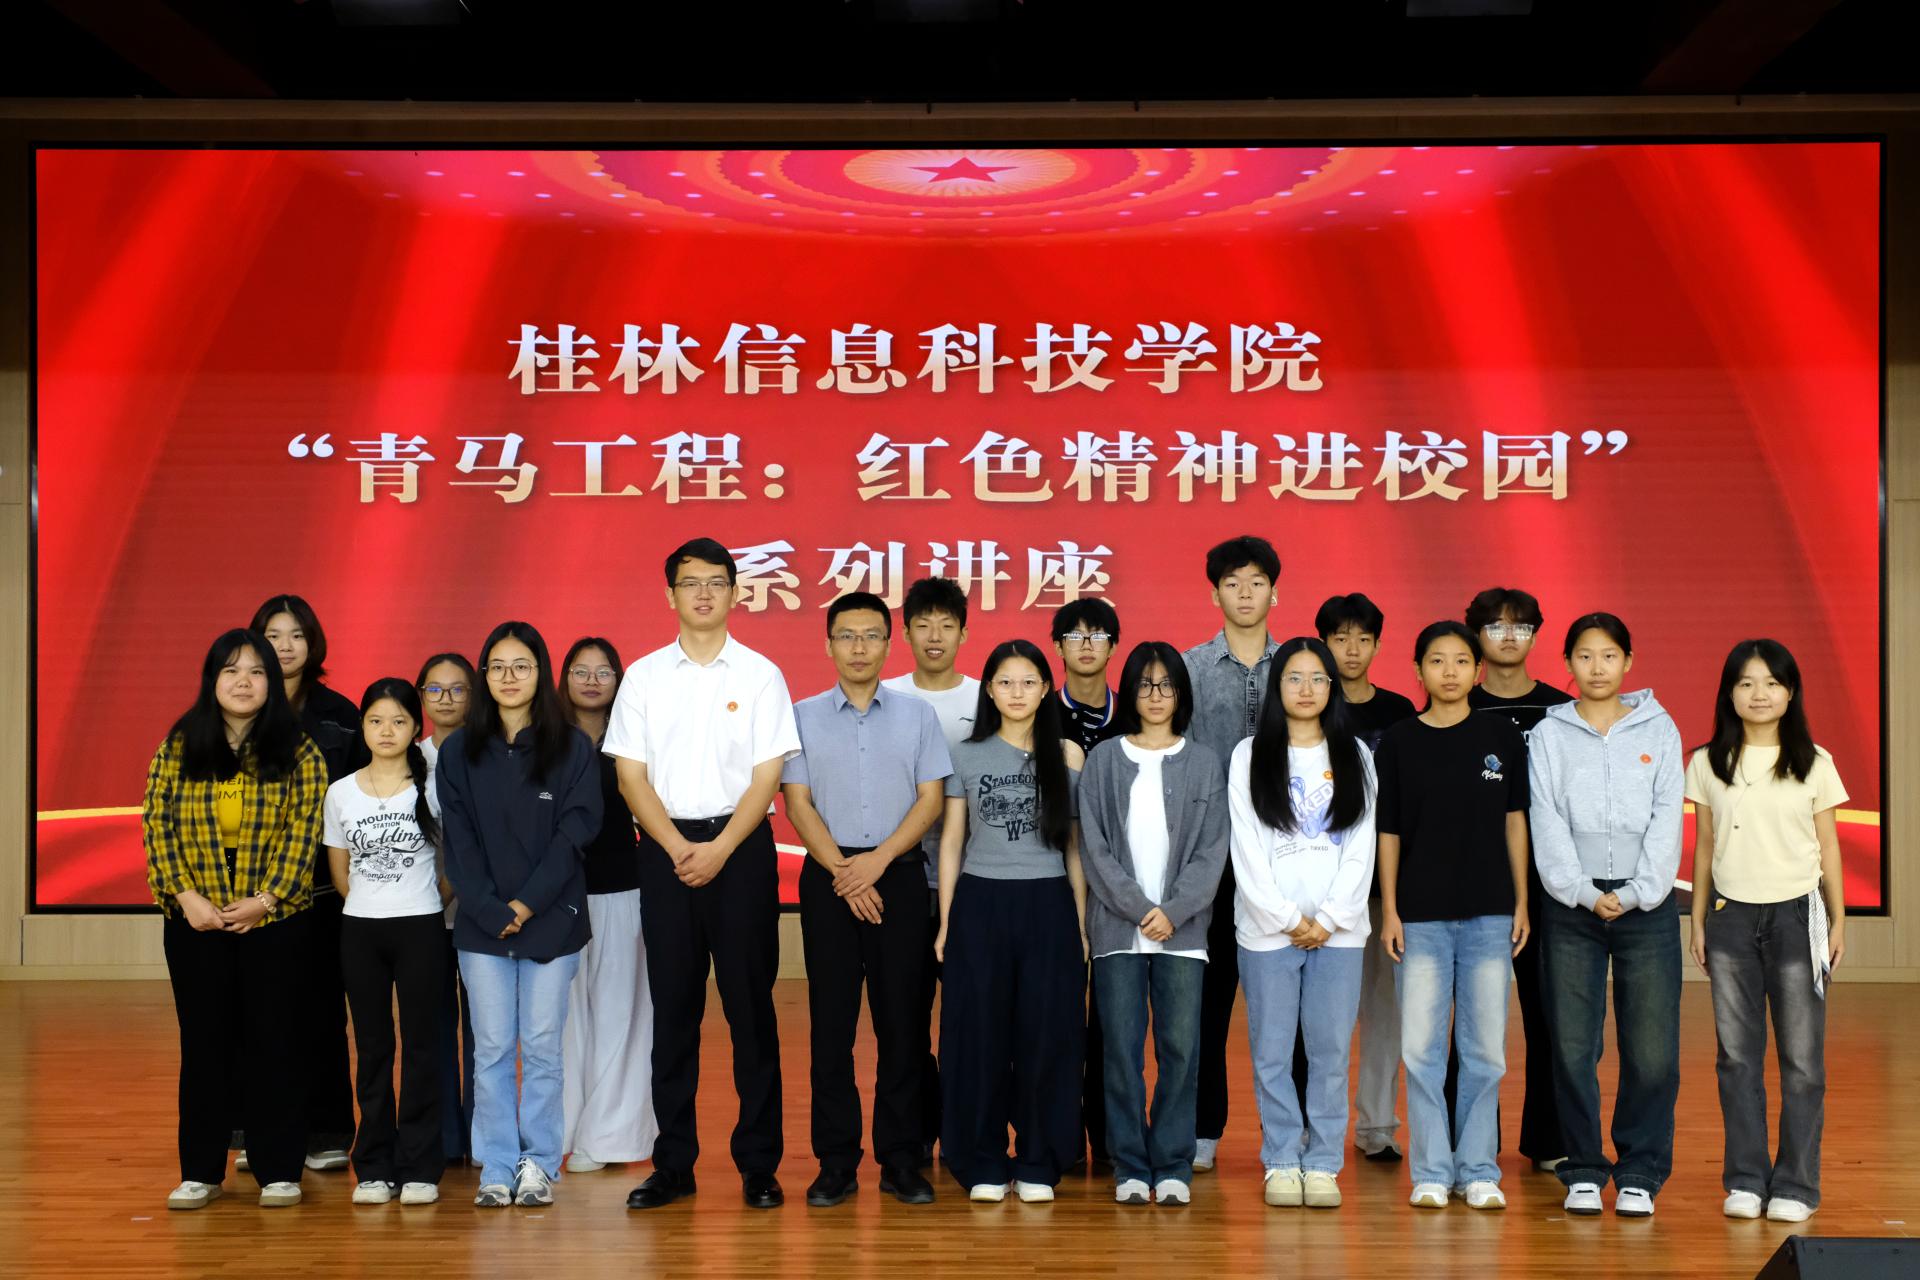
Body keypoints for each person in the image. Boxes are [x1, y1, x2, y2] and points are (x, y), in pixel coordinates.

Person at [609, 539, 801, 1212]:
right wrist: (675, 845)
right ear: (670, 594)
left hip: (740, 850)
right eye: (690, 583)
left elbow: (768, 776)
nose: (703, 594)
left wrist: (719, 848)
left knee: (751, 1011)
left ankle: (759, 1165)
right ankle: (673, 1164)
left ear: (735, 592)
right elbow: (630, 776)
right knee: (674, 1012)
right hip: (664, 853)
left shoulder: (760, 675)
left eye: (716, 582)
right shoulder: (643, 677)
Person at [144, 628, 328, 1210]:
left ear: (272, 683)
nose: (243, 682)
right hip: (195, 922)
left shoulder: (300, 751)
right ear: (212, 680)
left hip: (275, 922)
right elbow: (157, 826)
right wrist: (186, 897)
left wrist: (266, 899)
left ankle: (279, 1170)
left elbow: (304, 832)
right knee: (204, 1044)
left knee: (275, 1041)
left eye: (256, 672)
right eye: (231, 670)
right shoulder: (179, 746)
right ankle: (200, 1171)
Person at [783, 592, 951, 1207]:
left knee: (902, 1026)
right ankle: (835, 1163)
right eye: (847, 636)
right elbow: (796, 801)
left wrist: (876, 863)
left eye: (871, 635)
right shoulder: (800, 716)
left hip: (899, 878)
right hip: (829, 882)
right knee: (831, 1027)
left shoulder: (918, 717)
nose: (859, 647)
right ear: (828, 644)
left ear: (888, 643)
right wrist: (844, 871)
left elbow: (931, 799)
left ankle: (902, 1160)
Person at [436, 621, 600, 1208]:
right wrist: (488, 908)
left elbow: (576, 831)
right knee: (492, 1048)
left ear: (540, 673)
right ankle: (498, 1164)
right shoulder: (459, 751)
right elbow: (458, 841)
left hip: (552, 920)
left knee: (543, 1044)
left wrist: (525, 905)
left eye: (522, 666)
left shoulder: (571, 746)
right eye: (498, 667)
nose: (509, 677)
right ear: (484, 676)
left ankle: (539, 1163)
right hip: (482, 925)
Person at [1686, 639, 1848, 1224]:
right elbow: (1705, 845)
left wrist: (1838, 920)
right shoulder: (1707, 762)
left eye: (1772, 683)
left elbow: (1829, 845)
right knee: (1736, 1058)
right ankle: (1746, 1181)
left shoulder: (1815, 762)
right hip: (1730, 917)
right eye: (1747, 682)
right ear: (1729, 693)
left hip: (1798, 915)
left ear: (1790, 692)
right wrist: (1698, 920)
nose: (1760, 694)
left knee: (1802, 1060)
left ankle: (1797, 1186)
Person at [1529, 614, 1684, 1218]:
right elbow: (1546, 818)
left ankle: (1641, 1171)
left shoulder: (1660, 729)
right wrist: (1582, 890)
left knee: (1652, 1049)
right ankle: (1584, 1169)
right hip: (1572, 907)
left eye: (1609, 655)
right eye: (1585, 656)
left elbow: (1668, 816)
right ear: (1568, 662)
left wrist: (1642, 890)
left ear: (1629, 661)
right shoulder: (1549, 734)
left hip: (1647, 908)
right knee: (1572, 1046)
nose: (1597, 667)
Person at [1377, 621, 1530, 1211]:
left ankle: (1478, 1168)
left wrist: (1521, 901)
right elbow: (1389, 832)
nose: (1449, 671)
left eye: (1461, 661)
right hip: (1419, 918)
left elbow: (1514, 822)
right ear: (1418, 670)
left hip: (1491, 915)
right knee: (1421, 1051)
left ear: (1477, 670)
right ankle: (1433, 1171)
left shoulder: (1501, 737)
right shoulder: (1399, 741)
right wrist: (1391, 909)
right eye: (1436, 661)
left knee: (1485, 1050)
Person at [935, 640, 1088, 1204]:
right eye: (1005, 682)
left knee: (1047, 1034)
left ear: (1046, 688)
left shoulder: (1068, 755)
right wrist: (947, 922)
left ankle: (1039, 1159)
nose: (1017, 692)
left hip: (1048, 902)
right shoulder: (965, 753)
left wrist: (1080, 923)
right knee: (979, 1035)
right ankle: (982, 1159)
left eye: (1028, 682)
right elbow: (951, 841)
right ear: (989, 690)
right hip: (981, 901)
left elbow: (1074, 848)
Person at [1078, 641, 1228, 1207]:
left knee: (1180, 1052)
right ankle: (1129, 1165)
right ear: (1130, 692)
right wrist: (1141, 910)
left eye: (1166, 685)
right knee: (1119, 1051)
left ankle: (1172, 1163)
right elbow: (1094, 848)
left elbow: (1212, 852)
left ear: (1181, 693)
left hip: (1183, 934)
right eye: (1145, 684)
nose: (1156, 695)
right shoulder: (1104, 760)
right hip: (1118, 931)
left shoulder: (1204, 762)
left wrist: (1174, 911)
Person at [1230, 638, 1377, 1211]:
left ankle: (1322, 1164)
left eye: (1318, 678)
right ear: (1277, 687)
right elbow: (1247, 851)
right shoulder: (1249, 755)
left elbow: (1361, 846)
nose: (1307, 689)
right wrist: (1291, 919)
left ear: (1332, 687)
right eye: (1294, 678)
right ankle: (1281, 1160)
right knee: (1271, 1054)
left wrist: (1331, 919)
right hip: (1268, 933)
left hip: (1340, 934)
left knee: (1330, 1054)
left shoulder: (1355, 754)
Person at [249, 593, 366, 1173]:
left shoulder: (341, 715)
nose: (285, 646)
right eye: (273, 636)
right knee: (257, 1014)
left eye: (296, 635)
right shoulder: (240, 707)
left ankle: (326, 1130)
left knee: (321, 1012)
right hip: (251, 891)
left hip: (322, 891)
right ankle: (260, 1131)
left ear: (313, 642)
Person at [326, 678, 449, 1206]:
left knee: (423, 1046)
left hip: (421, 926)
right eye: (376, 721)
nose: (386, 731)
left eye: (398, 721)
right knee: (374, 1048)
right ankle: (374, 1166)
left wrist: (425, 899)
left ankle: (421, 1166)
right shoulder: (341, 791)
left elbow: (452, 864)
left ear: (415, 728)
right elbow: (340, 872)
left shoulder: (434, 787)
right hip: (361, 931)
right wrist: (373, 903)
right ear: (362, 726)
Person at [1181, 533, 1282, 1174]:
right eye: (1232, 583)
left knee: (1283, 1011)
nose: (1244, 594)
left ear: (1275, 591)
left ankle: (1288, 1135)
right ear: (1214, 593)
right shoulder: (1188, 669)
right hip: (1211, 861)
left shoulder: (1300, 666)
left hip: (1285, 859)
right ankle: (1201, 1129)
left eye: (1256, 582)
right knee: (1207, 1005)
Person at [1463, 585, 1573, 1171]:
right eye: (1496, 626)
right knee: (1471, 1021)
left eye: (1521, 626)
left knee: (1548, 1015)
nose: (1508, 636)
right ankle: (1471, 1141)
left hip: (1550, 883)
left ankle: (1549, 1141)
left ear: (1536, 635)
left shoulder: (1563, 711)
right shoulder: (1457, 703)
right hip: (1475, 879)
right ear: (1476, 635)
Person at [882, 576, 980, 1162]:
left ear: (964, 634)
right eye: (923, 625)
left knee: (969, 1018)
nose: (935, 636)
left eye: (947, 625)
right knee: (907, 1015)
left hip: (975, 886)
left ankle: (964, 1129)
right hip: (903, 882)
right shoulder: (887, 697)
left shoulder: (987, 698)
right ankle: (918, 1130)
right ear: (906, 634)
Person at [1316, 593, 1417, 1163]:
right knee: (1320, 1019)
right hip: (1320, 890)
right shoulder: (1310, 706)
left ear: (1378, 645)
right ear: (1323, 643)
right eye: (1340, 638)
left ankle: (1377, 1127)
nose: (1351, 650)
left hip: (1384, 891)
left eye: (1363, 639)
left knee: (1384, 1011)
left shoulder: (1401, 712)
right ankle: (1312, 1131)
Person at [558, 638, 660, 1174]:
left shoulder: (636, 736)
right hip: (558, 894)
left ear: (619, 680)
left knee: (622, 1014)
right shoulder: (546, 740)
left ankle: (610, 1137)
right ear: (564, 678)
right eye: (581, 671)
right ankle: (560, 1130)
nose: (592, 681)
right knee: (564, 1020)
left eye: (603, 672)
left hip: (623, 889)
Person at [1052, 597, 1126, 1169]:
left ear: (1113, 646)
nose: (1086, 644)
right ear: (1058, 646)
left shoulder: (1136, 718)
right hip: (1053, 884)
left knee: (1113, 1021)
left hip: (1124, 890)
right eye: (1074, 635)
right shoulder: (1035, 715)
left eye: (1097, 634)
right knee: (1056, 1015)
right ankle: (1058, 1137)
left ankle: (1108, 1136)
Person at [416, 652, 477, 1165]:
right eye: (435, 689)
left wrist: (451, 885)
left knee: (485, 1035)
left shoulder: (488, 754)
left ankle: (482, 1136)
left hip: (478, 915)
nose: (446, 699)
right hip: (422, 918)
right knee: (433, 1030)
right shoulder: (406, 757)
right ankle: (443, 1138)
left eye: (458, 689)